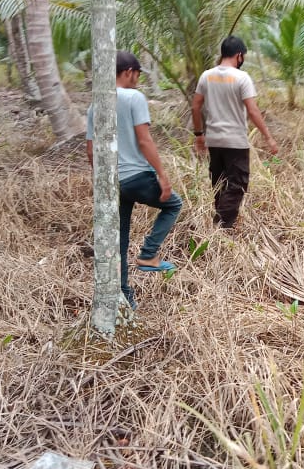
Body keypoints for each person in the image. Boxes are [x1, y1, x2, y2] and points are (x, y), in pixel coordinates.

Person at [86, 51, 182, 310]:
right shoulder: (134, 97)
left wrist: (102, 183)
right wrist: (163, 175)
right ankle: (148, 255)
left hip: (112, 183)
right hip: (137, 176)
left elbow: (91, 150)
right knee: (173, 204)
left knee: (120, 241)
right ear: (128, 71)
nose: (138, 80)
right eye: (138, 75)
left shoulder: (96, 105)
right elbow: (144, 140)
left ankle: (124, 296)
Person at [191, 36, 278, 228]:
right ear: (239, 55)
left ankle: (221, 226)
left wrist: (199, 135)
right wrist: (268, 137)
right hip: (235, 141)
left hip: (214, 140)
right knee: (238, 184)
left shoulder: (206, 76)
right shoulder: (242, 78)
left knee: (219, 183)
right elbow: (253, 110)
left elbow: (195, 106)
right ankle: (220, 226)